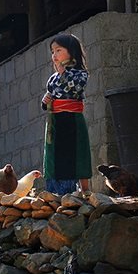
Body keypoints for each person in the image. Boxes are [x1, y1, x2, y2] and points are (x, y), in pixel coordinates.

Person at [42, 33, 92, 194]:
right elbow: (48, 102)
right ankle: (54, 191)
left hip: (72, 121)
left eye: (58, 50)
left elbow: (73, 88)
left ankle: (81, 191)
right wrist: (45, 100)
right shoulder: (52, 79)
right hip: (55, 122)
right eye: (52, 51)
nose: (54, 55)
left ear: (71, 51)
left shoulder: (80, 74)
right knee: (53, 156)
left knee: (75, 154)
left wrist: (63, 72)